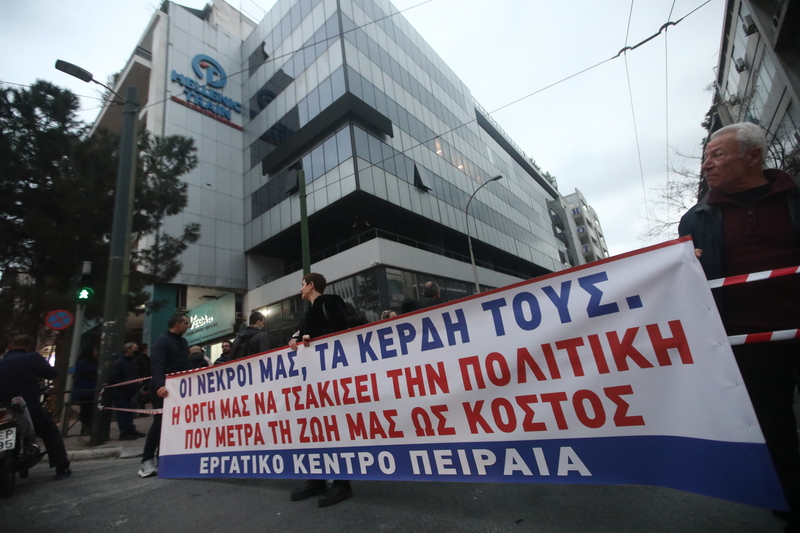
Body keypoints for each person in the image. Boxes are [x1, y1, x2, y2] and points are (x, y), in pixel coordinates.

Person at [679, 122, 800, 531]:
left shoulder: (795, 201)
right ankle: (793, 506)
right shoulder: (696, 218)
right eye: (706, 157)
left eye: (717, 155)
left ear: (753, 155)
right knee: (773, 425)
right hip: (747, 341)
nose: (707, 164)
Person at [288, 273, 351, 507]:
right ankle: (318, 476)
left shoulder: (330, 303)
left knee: (333, 427)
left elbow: (341, 333)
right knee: (315, 427)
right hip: (312, 379)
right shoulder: (307, 312)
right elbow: (298, 335)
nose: (300, 289)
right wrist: (295, 340)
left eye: (302, 284)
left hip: (329, 377)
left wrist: (313, 338)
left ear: (311, 285)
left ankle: (342, 481)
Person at [0, 335, 71, 480]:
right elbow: (51, 374)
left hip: (2, 408)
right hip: (25, 407)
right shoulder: (32, 357)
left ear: (10, 346)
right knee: (50, 432)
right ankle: (61, 468)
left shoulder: (2, 361)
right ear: (28, 347)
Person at [138, 314, 191, 478]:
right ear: (177, 324)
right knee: (159, 423)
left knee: (174, 424)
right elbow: (157, 364)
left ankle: (164, 458)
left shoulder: (183, 342)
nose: (188, 326)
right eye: (186, 323)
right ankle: (146, 461)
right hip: (163, 390)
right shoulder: (162, 341)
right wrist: (160, 385)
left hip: (179, 389)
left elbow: (186, 366)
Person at [108, 342, 145, 441]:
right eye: (134, 348)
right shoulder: (120, 361)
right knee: (123, 413)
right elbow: (113, 376)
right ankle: (124, 432)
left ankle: (130, 429)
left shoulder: (131, 361)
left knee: (129, 412)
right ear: (127, 349)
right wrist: (126, 383)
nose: (136, 350)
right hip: (121, 392)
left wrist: (137, 380)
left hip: (130, 391)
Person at [73, 346, 98, 436]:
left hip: (89, 389)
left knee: (89, 410)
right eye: (95, 350)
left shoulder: (91, 362)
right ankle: (86, 427)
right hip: (85, 390)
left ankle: (88, 427)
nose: (96, 352)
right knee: (86, 410)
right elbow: (91, 371)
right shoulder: (83, 363)